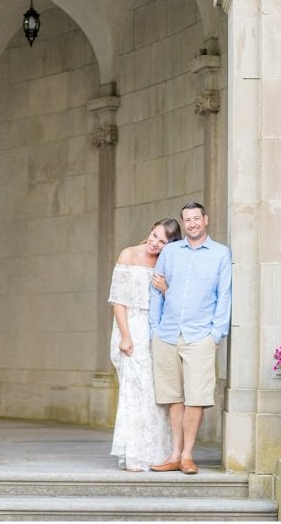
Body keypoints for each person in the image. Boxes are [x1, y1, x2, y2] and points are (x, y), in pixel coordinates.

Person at [148, 202, 232, 475]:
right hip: (168, 333)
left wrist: (216, 334)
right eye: (188, 220)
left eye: (197, 218)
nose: (193, 223)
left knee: (196, 397)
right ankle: (174, 454)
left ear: (205, 219)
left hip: (200, 336)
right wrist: (154, 329)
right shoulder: (170, 252)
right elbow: (155, 289)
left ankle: (187, 455)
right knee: (173, 398)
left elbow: (224, 296)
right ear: (183, 223)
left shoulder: (220, 254)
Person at [108, 218, 181, 471]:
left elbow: (177, 299)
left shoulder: (166, 262)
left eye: (162, 241)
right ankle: (133, 454)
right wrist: (126, 336)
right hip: (131, 327)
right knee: (134, 391)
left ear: (170, 245)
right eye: (153, 235)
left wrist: (165, 289)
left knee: (154, 393)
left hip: (155, 329)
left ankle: (156, 452)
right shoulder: (128, 254)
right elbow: (118, 300)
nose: (155, 243)